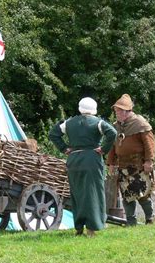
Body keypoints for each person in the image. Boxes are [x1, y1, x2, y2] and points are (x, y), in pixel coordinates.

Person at [49, 97, 117, 237]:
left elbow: (53, 134)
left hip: (74, 160)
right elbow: (113, 133)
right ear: (94, 109)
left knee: (77, 193)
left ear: (80, 108)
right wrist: (104, 149)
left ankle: (79, 228)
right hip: (92, 159)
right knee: (93, 193)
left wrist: (64, 148)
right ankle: (92, 229)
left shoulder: (68, 123)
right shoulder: (98, 122)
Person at [107, 94, 155, 226]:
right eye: (116, 111)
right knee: (127, 195)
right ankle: (131, 221)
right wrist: (111, 163)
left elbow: (149, 144)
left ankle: (149, 218)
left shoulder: (140, 123)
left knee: (143, 193)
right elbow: (112, 146)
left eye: (118, 111)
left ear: (126, 111)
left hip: (138, 165)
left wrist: (149, 161)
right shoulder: (116, 126)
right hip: (123, 165)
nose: (116, 113)